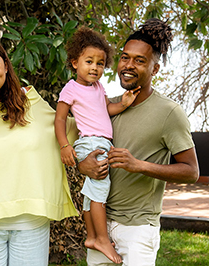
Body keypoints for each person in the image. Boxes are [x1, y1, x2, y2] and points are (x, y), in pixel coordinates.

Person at [78, 19, 199, 265]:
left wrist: (138, 165)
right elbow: (81, 148)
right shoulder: (106, 106)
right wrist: (82, 166)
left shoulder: (169, 112)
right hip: (100, 225)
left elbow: (191, 171)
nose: (128, 65)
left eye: (139, 60)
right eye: (125, 58)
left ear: (155, 69)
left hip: (137, 228)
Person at [0, 37, 79, 266]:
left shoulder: (30, 101)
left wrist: (114, 107)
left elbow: (71, 127)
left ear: (5, 65)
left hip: (30, 226)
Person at [54, 26, 140, 264]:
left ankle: (92, 236)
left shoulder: (99, 88)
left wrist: (123, 103)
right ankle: (102, 238)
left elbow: (106, 110)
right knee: (100, 193)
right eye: (89, 61)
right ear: (74, 62)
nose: (95, 68)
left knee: (91, 195)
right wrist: (64, 146)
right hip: (92, 144)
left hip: (101, 142)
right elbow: (60, 119)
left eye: (100, 63)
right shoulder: (71, 88)